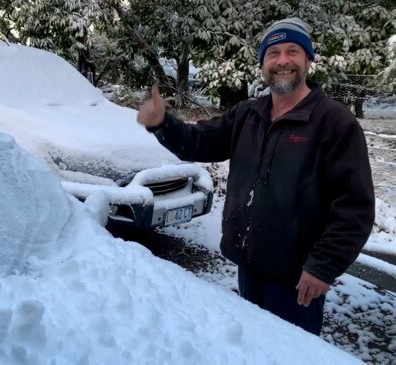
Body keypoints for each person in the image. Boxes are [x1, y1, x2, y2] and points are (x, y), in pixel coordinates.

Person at [137, 18, 375, 335]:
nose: (282, 61)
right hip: (248, 266)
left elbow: (355, 208)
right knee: (253, 347)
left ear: (309, 60)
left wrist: (322, 267)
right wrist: (162, 123)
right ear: (263, 63)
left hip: (297, 280)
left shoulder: (334, 123)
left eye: (293, 51)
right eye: (273, 52)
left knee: (289, 356)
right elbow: (199, 141)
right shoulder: (248, 114)